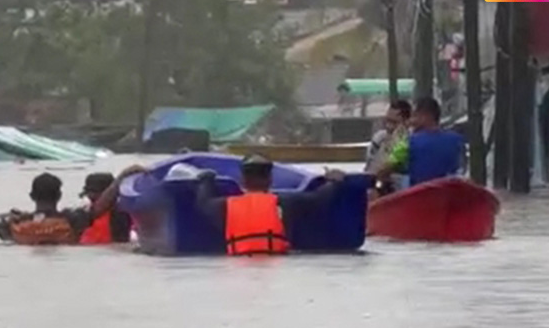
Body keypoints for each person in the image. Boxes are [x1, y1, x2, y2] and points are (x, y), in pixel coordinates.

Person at [195, 155, 346, 257]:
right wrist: (334, 181)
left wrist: (206, 180)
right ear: (270, 179)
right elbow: (319, 199)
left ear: (242, 180)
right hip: (277, 263)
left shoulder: (225, 206)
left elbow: (203, 203)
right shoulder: (284, 202)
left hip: (237, 267)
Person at [0, 166, 145, 245]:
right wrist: (123, 177)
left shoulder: (15, 226)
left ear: (32, 196)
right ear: (59, 196)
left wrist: (16, 216)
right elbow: (100, 207)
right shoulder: (72, 220)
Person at [377, 96, 467, 188]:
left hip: (420, 196)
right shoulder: (457, 140)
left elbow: (385, 169)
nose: (410, 121)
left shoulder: (408, 143)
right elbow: (462, 169)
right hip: (448, 194)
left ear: (425, 117)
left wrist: (381, 177)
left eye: (414, 116)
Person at [366, 99, 411, 195]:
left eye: (394, 123)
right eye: (387, 121)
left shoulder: (410, 141)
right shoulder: (379, 139)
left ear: (407, 122)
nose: (388, 126)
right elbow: (370, 168)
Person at [76, 172, 134, 245]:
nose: (91, 196)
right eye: (89, 193)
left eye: (95, 192)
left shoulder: (122, 215)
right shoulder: (82, 215)